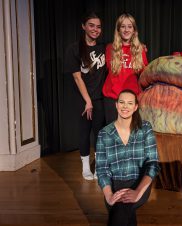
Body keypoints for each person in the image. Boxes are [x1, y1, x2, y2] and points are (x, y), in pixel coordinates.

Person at [96, 89, 160, 226]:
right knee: (122, 210)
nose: (125, 106)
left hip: (139, 182)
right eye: (122, 102)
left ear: (136, 107)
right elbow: (102, 169)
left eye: (130, 103)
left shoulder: (145, 129)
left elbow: (153, 164)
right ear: (116, 105)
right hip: (114, 185)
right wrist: (108, 195)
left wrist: (137, 192)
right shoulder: (104, 134)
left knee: (120, 211)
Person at [64, 12, 106, 180]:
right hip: (83, 100)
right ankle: (85, 168)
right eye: (91, 25)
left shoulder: (103, 48)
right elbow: (77, 77)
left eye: (98, 26)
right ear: (83, 26)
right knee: (84, 133)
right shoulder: (73, 49)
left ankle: (98, 167)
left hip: (101, 99)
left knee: (99, 134)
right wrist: (88, 101)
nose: (95, 29)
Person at [103, 13, 148, 124]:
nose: (126, 30)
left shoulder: (140, 50)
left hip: (130, 99)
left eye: (129, 26)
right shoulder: (110, 48)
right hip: (112, 98)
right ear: (118, 30)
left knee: (129, 135)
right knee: (113, 136)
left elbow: (145, 75)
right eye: (123, 26)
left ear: (134, 30)